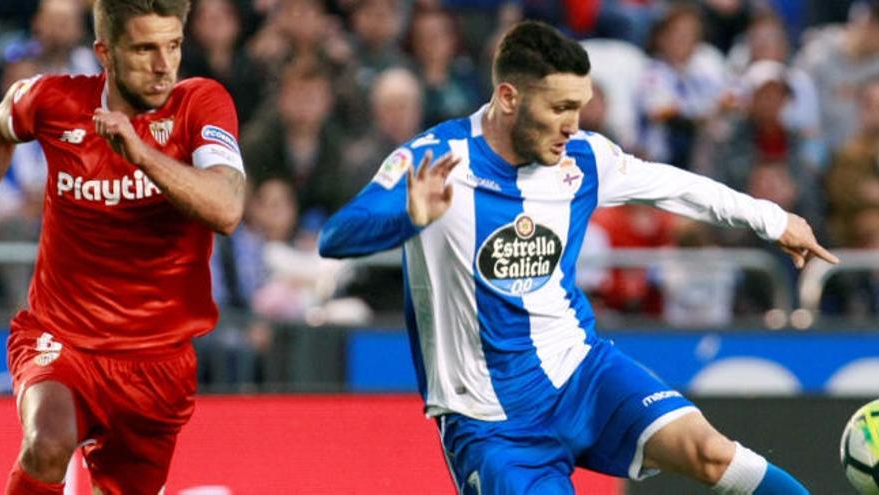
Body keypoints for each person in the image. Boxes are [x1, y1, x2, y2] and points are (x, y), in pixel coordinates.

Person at [319, 21, 836, 494]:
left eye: (579, 106)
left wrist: (772, 219)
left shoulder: (584, 158)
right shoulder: (434, 160)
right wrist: (407, 215)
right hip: (492, 422)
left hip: (583, 374)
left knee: (710, 452)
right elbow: (337, 237)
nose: (573, 124)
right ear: (508, 98)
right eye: (559, 108)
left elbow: (674, 185)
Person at [0, 0, 246, 493]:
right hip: (61, 337)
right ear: (104, 53)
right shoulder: (54, 101)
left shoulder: (202, 103)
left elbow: (227, 208)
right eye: (144, 49)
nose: (163, 65)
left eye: (172, 46)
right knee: (47, 442)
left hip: (158, 364)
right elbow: (4, 118)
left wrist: (141, 152)